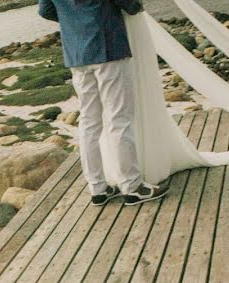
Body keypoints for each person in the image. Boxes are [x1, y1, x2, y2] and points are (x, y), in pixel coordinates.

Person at [38, 0, 170, 207]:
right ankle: (132, 187)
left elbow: (45, 10)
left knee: (89, 121)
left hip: (77, 54)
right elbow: (129, 4)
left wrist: (75, 20)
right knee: (119, 119)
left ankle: (97, 188)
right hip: (107, 47)